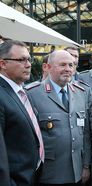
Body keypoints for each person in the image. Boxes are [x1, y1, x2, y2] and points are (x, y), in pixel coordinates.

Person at [25, 50, 92, 185]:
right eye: (62, 65)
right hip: (48, 173)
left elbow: (86, 133)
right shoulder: (32, 94)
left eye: (71, 65)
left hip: (77, 171)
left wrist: (85, 165)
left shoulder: (82, 92)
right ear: (48, 67)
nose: (68, 69)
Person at [0, 40, 43, 186]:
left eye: (29, 59)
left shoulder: (22, 91)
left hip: (32, 176)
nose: (29, 64)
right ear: (3, 64)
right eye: (21, 60)